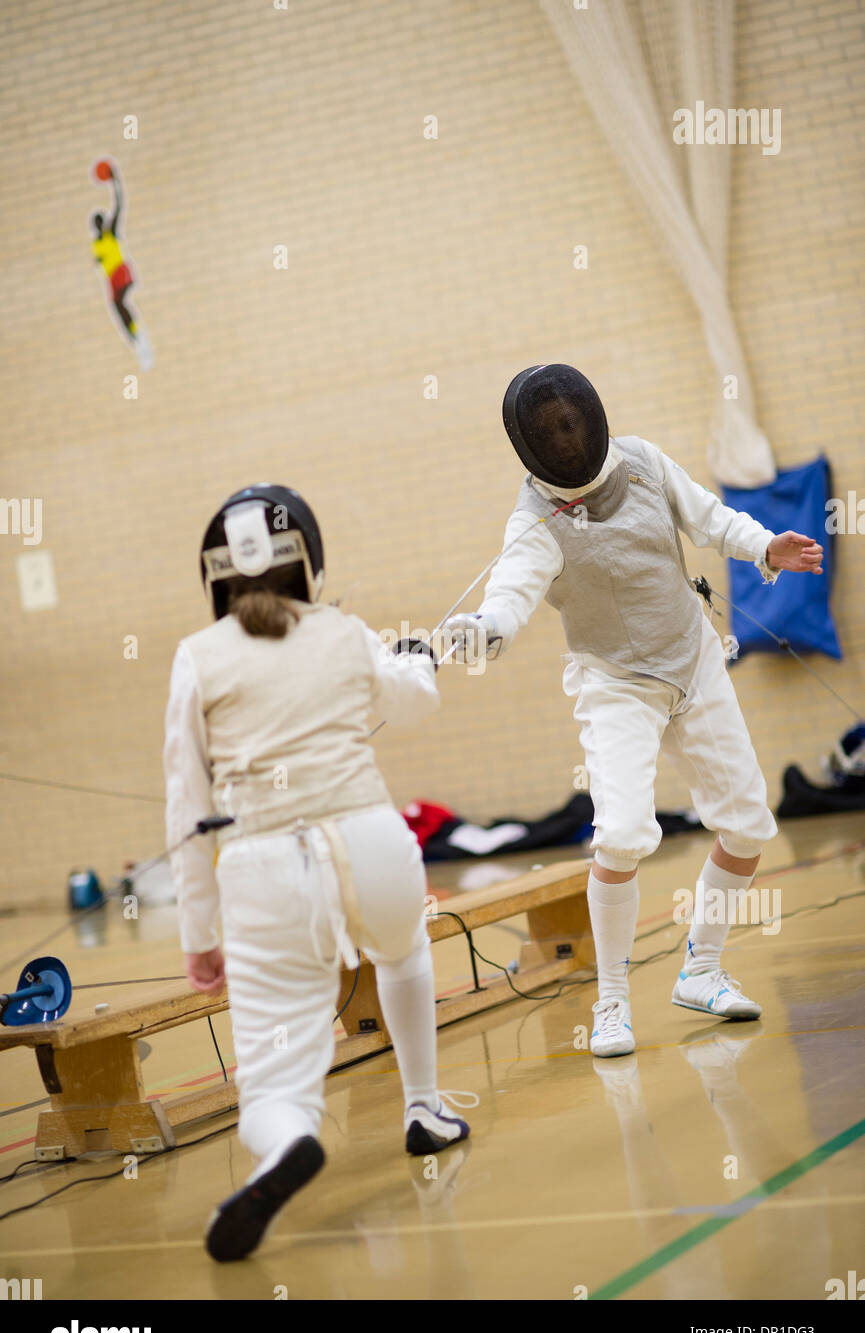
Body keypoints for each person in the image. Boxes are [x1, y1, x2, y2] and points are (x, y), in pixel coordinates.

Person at [444, 364, 823, 1058]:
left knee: (745, 824)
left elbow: (709, 517)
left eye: (570, 423)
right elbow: (508, 597)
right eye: (551, 431)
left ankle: (701, 971)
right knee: (619, 835)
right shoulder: (533, 521)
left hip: (694, 660)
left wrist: (763, 546)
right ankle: (612, 1004)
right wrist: (479, 631)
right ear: (530, 446)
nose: (565, 437)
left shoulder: (642, 460)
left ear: (589, 419)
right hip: (615, 681)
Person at [164, 484, 469, 1262]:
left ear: (217, 576)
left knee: (272, 1086)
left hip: (264, 875)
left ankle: (291, 1137)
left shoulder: (196, 657)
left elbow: (186, 807)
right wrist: (413, 660)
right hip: (373, 847)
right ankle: (424, 1110)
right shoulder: (343, 630)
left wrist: (197, 935)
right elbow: (413, 704)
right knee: (402, 951)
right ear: (309, 560)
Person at [90, 164, 153, 368]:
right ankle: (136, 337)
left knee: (121, 304)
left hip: (121, 273)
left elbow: (119, 204)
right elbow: (99, 263)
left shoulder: (111, 233)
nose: (100, 224)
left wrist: (115, 181)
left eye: (101, 220)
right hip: (111, 279)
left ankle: (138, 334)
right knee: (118, 308)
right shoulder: (97, 245)